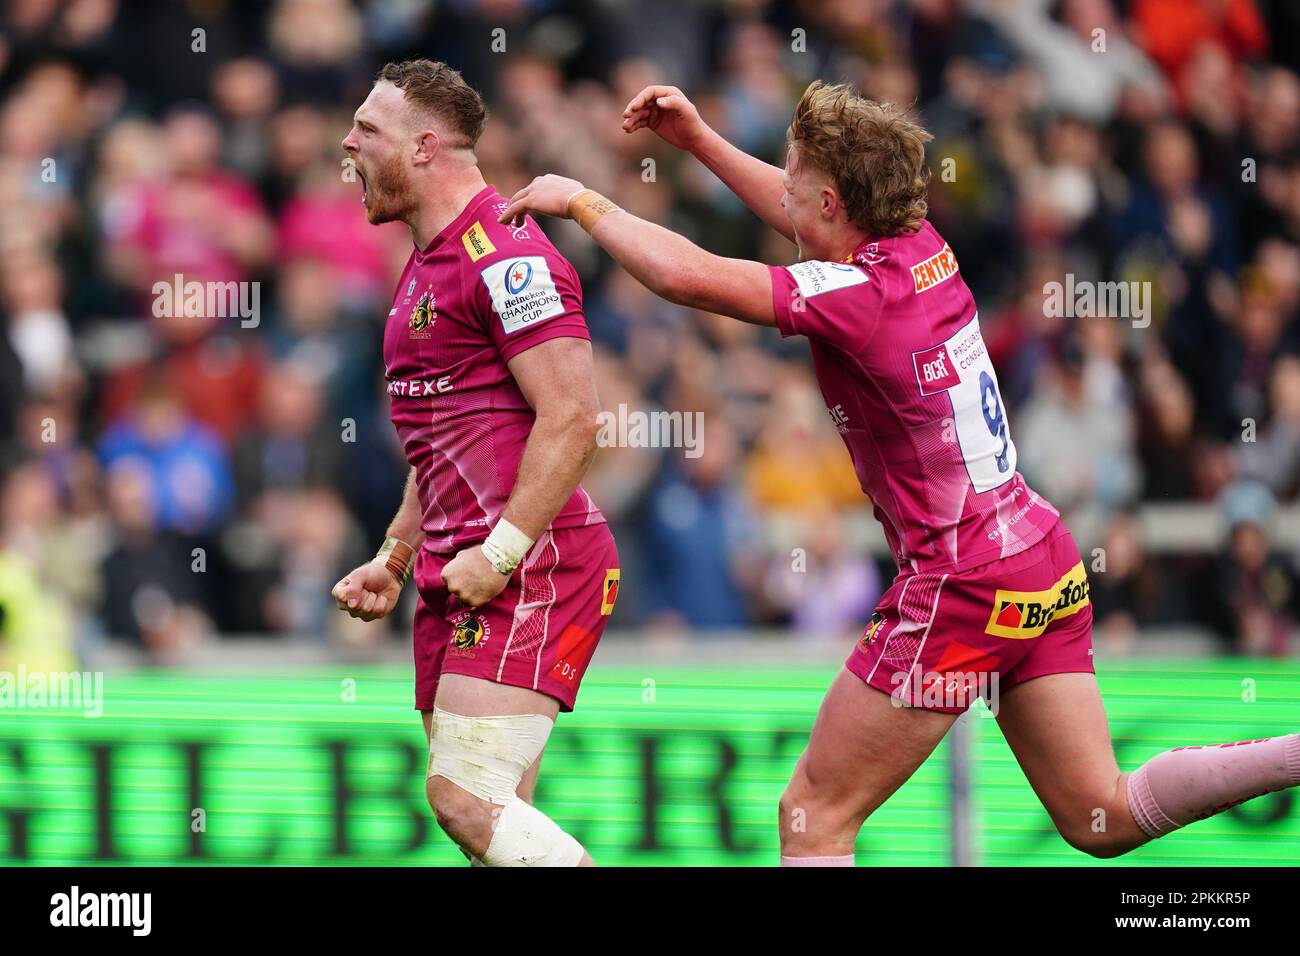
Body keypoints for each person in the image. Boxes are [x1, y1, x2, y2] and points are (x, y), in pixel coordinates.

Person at [497, 80, 1300, 865]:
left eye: (795, 177)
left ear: (832, 203)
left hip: (962, 582)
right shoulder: (920, 246)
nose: (785, 192)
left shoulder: (855, 295)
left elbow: (688, 276)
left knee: (813, 818)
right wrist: (700, 141)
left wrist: (583, 202)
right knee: (1103, 816)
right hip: (1038, 555)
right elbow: (799, 211)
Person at [331, 60, 620, 867]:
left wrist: (500, 553)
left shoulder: (508, 256)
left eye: (367, 129)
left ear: (425, 147)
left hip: (534, 560)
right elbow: (444, 442)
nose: (348, 143)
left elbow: (574, 418)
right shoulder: (426, 262)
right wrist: (396, 555)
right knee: (493, 827)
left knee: (464, 797)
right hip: (459, 565)